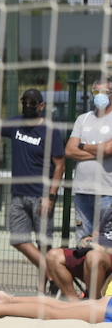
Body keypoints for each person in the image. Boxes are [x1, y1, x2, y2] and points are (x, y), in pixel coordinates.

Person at [0, 88, 66, 279]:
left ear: (42, 106)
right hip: (18, 195)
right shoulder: (16, 124)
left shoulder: (50, 131)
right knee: (17, 239)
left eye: (32, 103)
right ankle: (53, 274)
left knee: (45, 245)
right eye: (24, 102)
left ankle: (46, 287)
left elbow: (59, 166)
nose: (28, 106)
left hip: (41, 195)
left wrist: (51, 197)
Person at [65, 82, 112, 241]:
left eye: (104, 91)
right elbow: (70, 150)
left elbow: (108, 150)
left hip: (107, 192)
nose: (100, 94)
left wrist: (83, 145)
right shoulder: (82, 119)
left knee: (104, 242)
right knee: (82, 241)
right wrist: (98, 151)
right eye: (96, 90)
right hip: (82, 190)